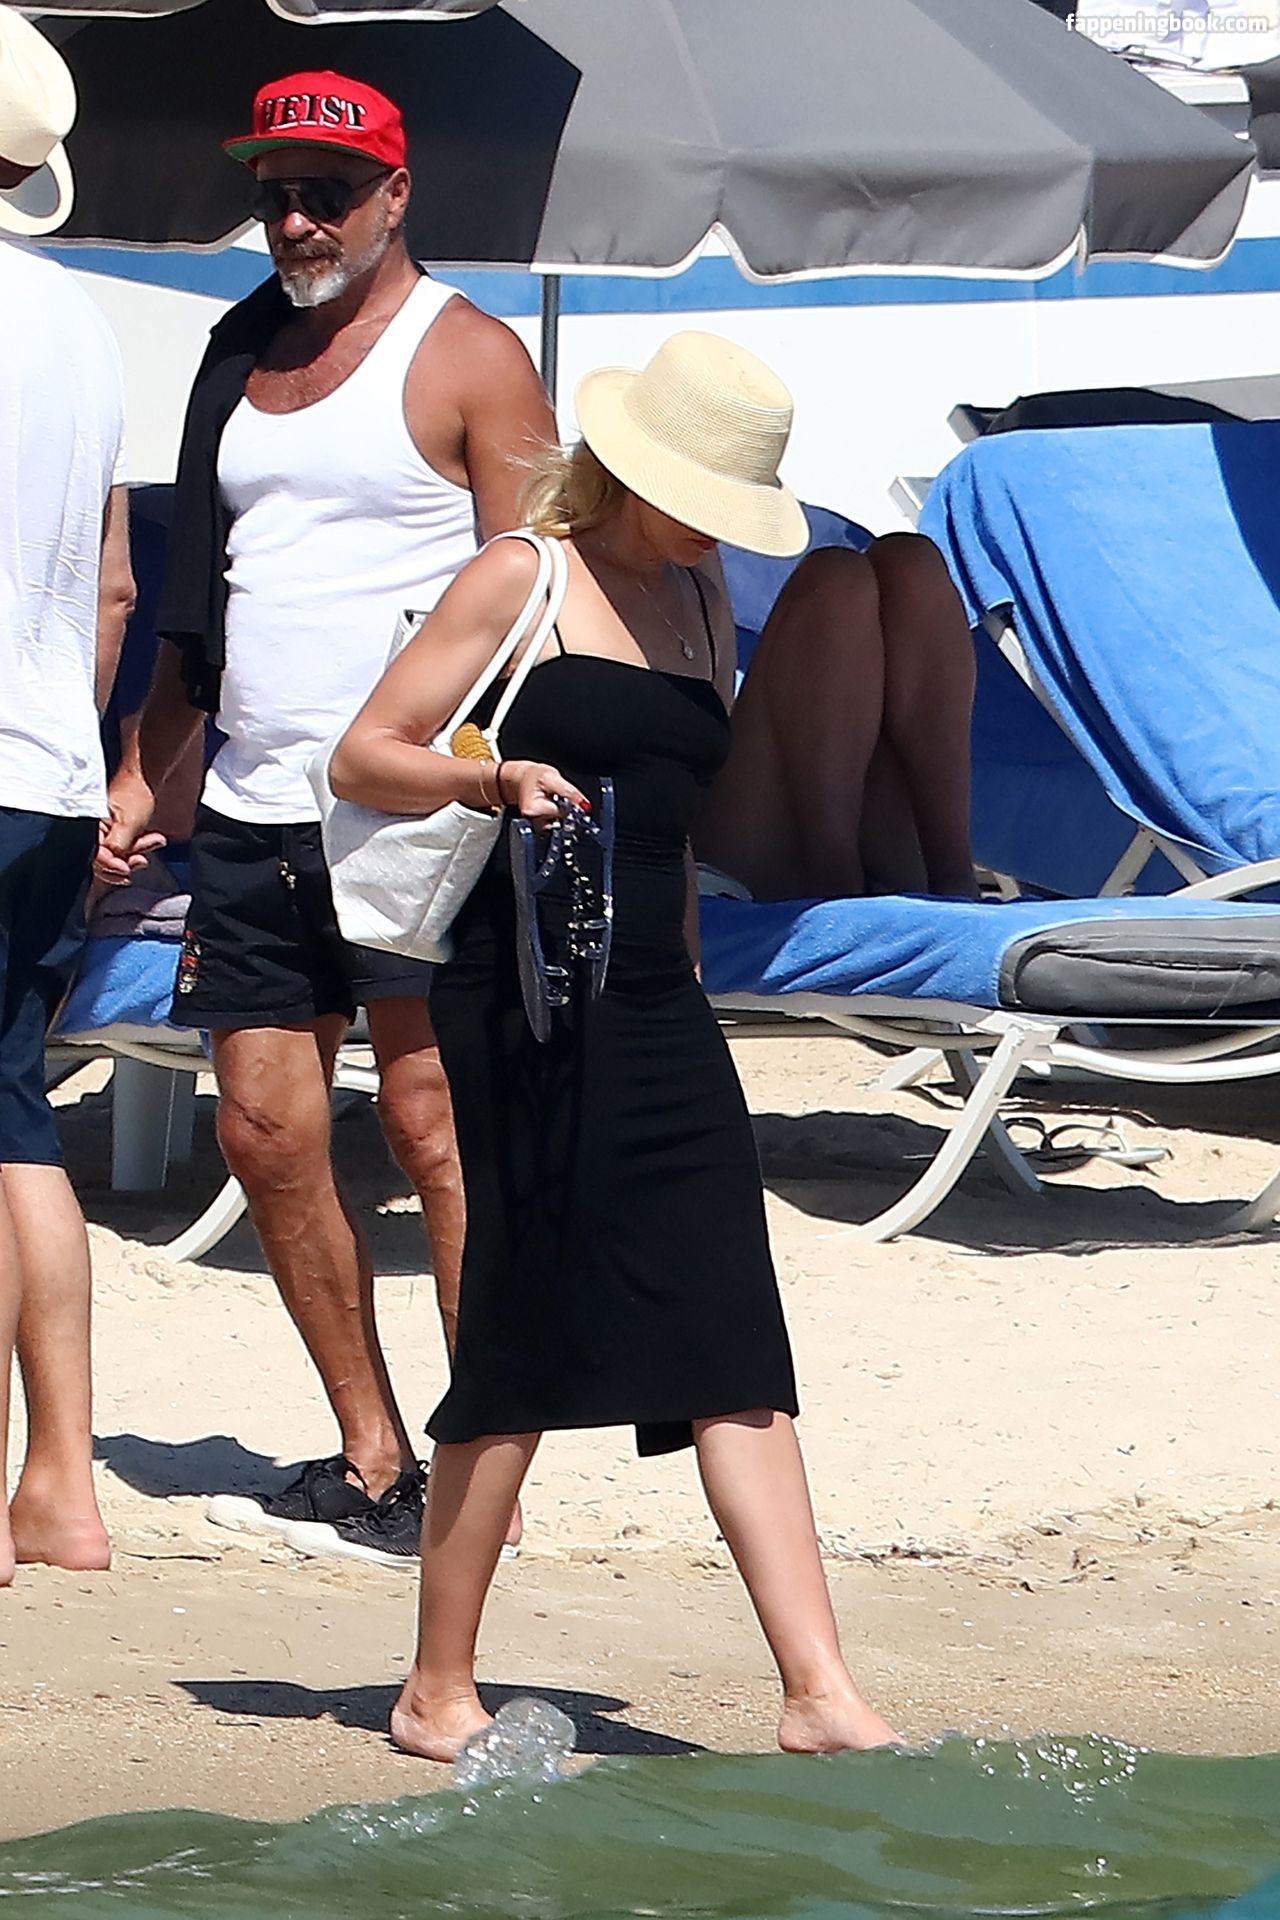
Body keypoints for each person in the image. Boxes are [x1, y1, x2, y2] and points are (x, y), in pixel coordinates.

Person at [331, 331, 900, 1757]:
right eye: (696, 496)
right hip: (523, 996)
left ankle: (819, 1693)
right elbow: (365, 754)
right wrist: (491, 778)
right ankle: (434, 1687)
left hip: (657, 999)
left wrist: (691, 985)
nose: (714, 527)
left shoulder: (701, 599)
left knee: (731, 1330)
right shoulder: (520, 576)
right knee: (521, 1326)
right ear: (630, 470)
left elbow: (675, 827)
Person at [97, 70, 554, 1563]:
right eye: (277, 194)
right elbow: (199, 603)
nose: (297, 220)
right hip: (250, 800)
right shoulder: (240, 348)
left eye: (329, 193)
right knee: (263, 1130)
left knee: (432, 1129)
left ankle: (476, 1471)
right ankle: (371, 1453)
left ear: (395, 194)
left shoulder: (469, 355)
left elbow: (542, 592)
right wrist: (144, 776)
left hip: (416, 806)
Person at [0, 10, 136, 1583]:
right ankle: (63, 1486)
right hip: (44, 765)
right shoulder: (82, 325)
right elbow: (109, 588)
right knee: (15, 1116)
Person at [695, 533, 979, 902]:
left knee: (910, 564)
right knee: (834, 584)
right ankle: (849, 885)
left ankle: (952, 878)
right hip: (712, 850)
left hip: (744, 815)